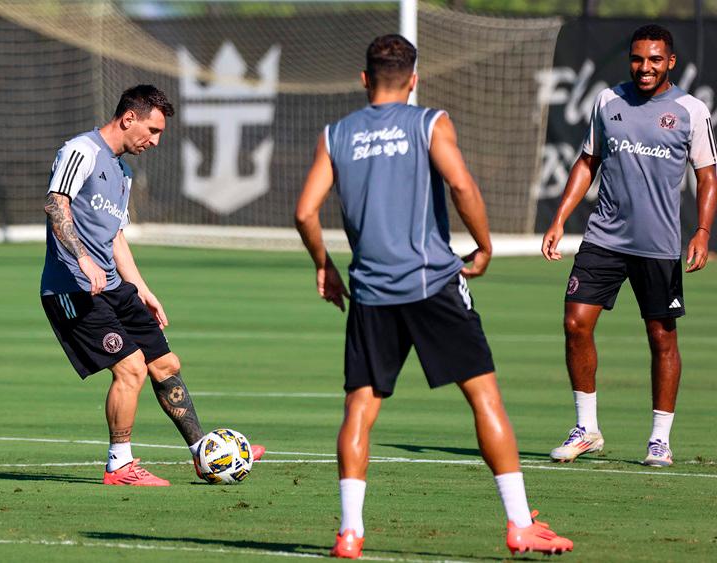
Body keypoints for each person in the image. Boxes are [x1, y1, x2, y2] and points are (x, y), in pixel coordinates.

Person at [295, 35, 573, 558]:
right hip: (432, 284)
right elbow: (462, 186)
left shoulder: (336, 135)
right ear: (415, 79)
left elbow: (305, 212)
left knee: (360, 408)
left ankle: (350, 533)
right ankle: (519, 524)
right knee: (484, 397)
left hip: (372, 292)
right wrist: (486, 245)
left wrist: (324, 266)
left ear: (363, 78)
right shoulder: (429, 122)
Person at [41, 84, 264, 486]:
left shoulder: (122, 173)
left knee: (165, 364)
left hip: (111, 286)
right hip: (71, 288)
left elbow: (115, 237)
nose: (155, 142)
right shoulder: (81, 152)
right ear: (128, 118)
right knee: (130, 369)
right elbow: (57, 205)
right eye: (153, 130)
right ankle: (119, 465)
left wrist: (141, 288)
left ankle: (202, 452)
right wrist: (83, 259)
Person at [542, 24, 717, 467]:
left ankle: (659, 438)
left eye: (655, 59)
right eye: (638, 59)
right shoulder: (608, 101)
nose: (645, 67)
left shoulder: (692, 110)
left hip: (658, 244)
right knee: (575, 323)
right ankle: (587, 428)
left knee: (661, 338)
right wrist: (560, 218)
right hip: (604, 236)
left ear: (670, 62)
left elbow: (707, 175)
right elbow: (587, 162)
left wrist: (701, 231)